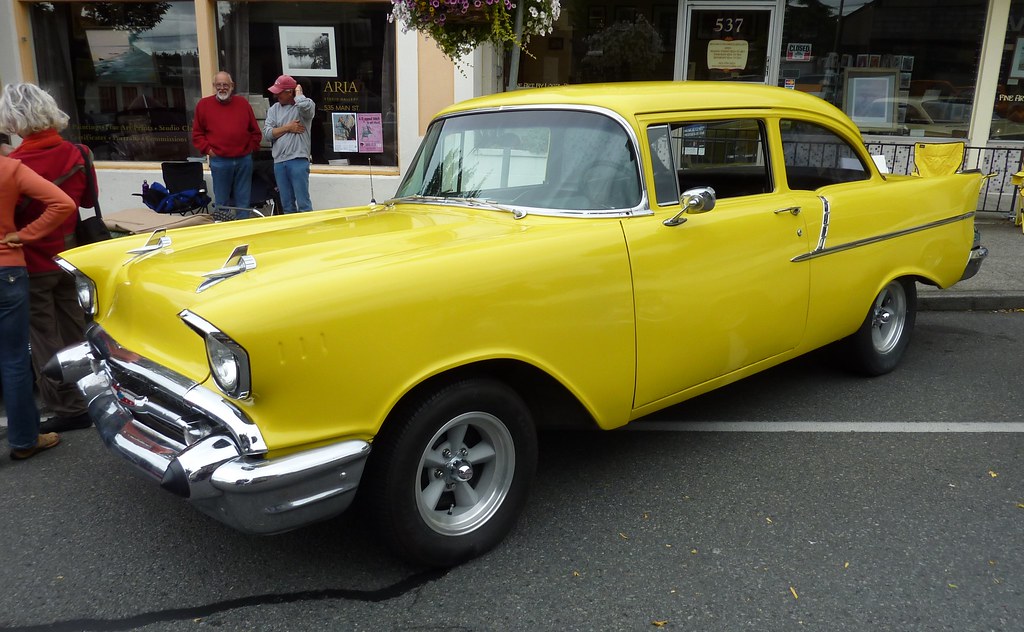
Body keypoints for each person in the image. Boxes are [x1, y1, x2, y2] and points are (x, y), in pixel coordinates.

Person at [0, 82, 93, 434]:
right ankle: (90, 394)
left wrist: (25, 234)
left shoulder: (14, 163)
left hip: (29, 258)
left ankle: (67, 406)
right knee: (74, 329)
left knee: (43, 336)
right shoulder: (79, 152)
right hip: (71, 255)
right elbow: (85, 202)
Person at [1, 154, 76, 460]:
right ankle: (24, 441)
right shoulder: (9, 168)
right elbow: (64, 204)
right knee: (14, 359)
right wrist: (24, 235)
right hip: (6, 269)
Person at [191, 71, 262, 219]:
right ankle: (223, 230)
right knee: (222, 201)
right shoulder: (203, 105)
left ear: (232, 86)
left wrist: (250, 148)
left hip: (243, 160)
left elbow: (255, 131)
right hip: (220, 161)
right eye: (218, 85)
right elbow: (197, 134)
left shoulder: (243, 104)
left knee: (243, 200)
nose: (222, 88)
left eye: (225, 85)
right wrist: (208, 150)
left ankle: (243, 230)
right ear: (214, 86)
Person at [264, 75, 315, 213]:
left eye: (280, 92)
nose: (276, 95)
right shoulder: (274, 109)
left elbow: (306, 108)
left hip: (298, 160)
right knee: (287, 205)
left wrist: (298, 93)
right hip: (279, 162)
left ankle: (306, 232)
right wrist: (288, 128)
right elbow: (268, 134)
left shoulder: (304, 105)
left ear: (290, 92)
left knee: (303, 203)